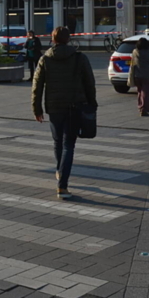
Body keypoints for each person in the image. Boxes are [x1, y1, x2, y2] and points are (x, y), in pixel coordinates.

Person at [31, 26, 97, 200]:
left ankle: (60, 173)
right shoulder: (79, 58)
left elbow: (36, 86)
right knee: (69, 144)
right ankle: (62, 186)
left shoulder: (45, 59)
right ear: (69, 39)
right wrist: (92, 103)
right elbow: (90, 82)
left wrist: (36, 109)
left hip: (54, 108)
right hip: (74, 106)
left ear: (53, 39)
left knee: (58, 142)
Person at [129, 37, 149, 116]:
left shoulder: (134, 52)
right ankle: (144, 108)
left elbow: (132, 63)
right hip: (146, 75)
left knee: (140, 92)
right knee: (146, 92)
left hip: (137, 75)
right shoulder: (147, 53)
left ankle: (140, 107)